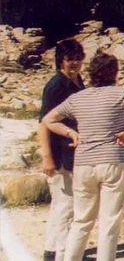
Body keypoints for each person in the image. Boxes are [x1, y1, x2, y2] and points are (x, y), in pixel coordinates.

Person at [42, 50, 124, 261]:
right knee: (109, 221)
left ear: (92, 73)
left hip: (83, 163)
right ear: (114, 73)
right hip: (112, 160)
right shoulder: (121, 94)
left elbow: (48, 119)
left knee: (81, 220)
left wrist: (70, 132)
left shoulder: (78, 97)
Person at [38, 39, 85, 261]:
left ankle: (51, 250)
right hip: (60, 153)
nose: (75, 63)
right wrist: (47, 157)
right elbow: (43, 123)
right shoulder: (56, 85)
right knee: (67, 205)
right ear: (61, 61)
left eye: (78, 58)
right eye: (70, 59)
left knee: (61, 203)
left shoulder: (76, 80)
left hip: (72, 151)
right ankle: (60, 254)